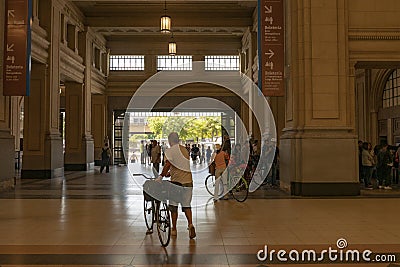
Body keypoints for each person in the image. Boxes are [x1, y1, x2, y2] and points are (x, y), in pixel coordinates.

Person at [157, 132, 196, 239]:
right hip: (188, 182)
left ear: (170, 141)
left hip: (176, 183)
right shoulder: (184, 149)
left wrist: (161, 176)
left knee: (173, 206)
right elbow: (180, 165)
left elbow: (168, 164)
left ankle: (174, 228)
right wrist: (170, 173)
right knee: (187, 205)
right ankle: (190, 224)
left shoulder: (170, 151)